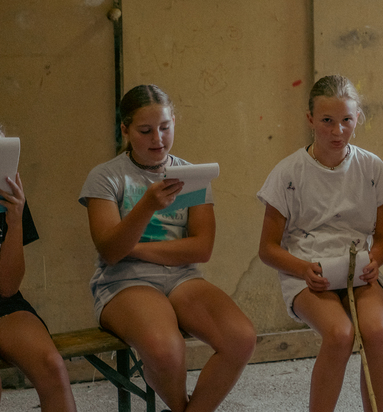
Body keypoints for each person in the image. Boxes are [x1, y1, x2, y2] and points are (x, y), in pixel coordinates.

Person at [79, 85, 255, 412]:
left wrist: (135, 248)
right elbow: (111, 252)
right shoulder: (106, 177)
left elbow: (201, 249)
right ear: (125, 130)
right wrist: (147, 206)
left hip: (181, 278)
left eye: (164, 127)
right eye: (145, 131)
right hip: (124, 282)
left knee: (241, 338)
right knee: (165, 350)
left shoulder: (190, 175)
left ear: (174, 121)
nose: (157, 139)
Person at [258, 75, 383, 412]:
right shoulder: (288, 173)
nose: (338, 131)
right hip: (307, 270)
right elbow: (268, 249)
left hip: (357, 269)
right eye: (327, 121)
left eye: (346, 120)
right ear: (310, 119)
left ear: (357, 117)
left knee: (377, 333)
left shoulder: (371, 167)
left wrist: (375, 260)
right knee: (339, 334)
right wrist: (304, 269)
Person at [0, 114, 77, 412]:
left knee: (52, 366)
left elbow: (7, 288)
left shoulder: (7, 199)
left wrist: (15, 222)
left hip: (1, 304)